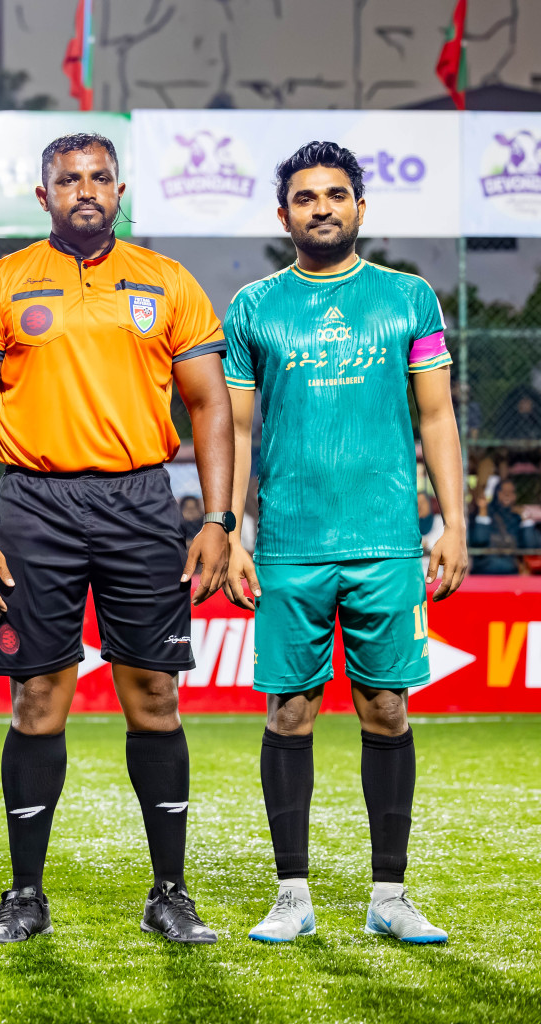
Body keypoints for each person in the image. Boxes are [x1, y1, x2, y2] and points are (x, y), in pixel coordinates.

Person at [0, 133, 232, 945]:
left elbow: (209, 406)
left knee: (154, 695)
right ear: (43, 195)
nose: (86, 189)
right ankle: (25, 895)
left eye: (100, 177)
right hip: (33, 505)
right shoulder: (1, 284)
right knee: (38, 699)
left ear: (120, 189)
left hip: (143, 502)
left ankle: (169, 891)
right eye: (68, 178)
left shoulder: (167, 282)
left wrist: (216, 518)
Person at [222, 140, 469, 944]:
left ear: (361, 205)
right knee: (289, 713)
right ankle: (291, 894)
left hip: (388, 542)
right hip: (290, 544)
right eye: (304, 197)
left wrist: (452, 523)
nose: (321, 207)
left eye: (335, 194)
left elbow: (437, 416)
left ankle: (389, 896)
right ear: (283, 213)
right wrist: (230, 533)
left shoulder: (408, 297)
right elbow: (232, 427)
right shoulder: (255, 306)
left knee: (387, 709)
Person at [469, 478, 535, 575]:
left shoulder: (517, 518)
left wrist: (526, 520)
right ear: (496, 493)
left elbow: (531, 546)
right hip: (484, 573)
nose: (507, 494)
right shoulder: (484, 514)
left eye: (511, 492)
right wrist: (483, 511)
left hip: (510, 573)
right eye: (503, 491)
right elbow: (479, 541)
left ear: (515, 496)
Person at [418, 492, 445, 574]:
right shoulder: (409, 525)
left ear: (429, 504)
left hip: (437, 575)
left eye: (423, 502)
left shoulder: (440, 521)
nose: (420, 506)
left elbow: (440, 547)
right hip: (416, 574)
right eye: (417, 503)